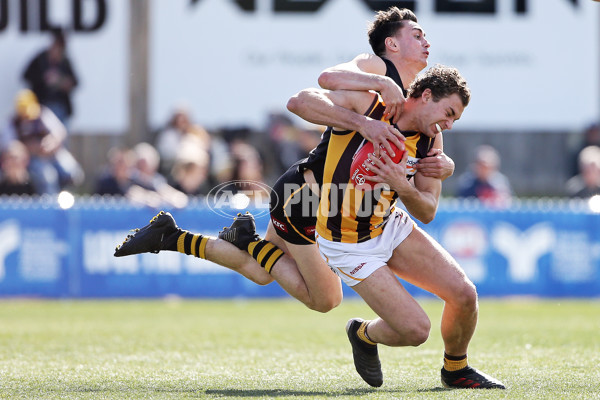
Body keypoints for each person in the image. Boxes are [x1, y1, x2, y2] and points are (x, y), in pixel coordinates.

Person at [114, 6, 455, 312]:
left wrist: (443, 164)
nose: (426, 40)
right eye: (416, 34)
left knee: (261, 272)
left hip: (322, 202)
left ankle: (170, 236)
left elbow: (409, 159)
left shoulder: (418, 104)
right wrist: (379, 86)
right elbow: (323, 82)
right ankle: (241, 239)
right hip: (306, 197)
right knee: (326, 300)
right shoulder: (377, 68)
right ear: (392, 44)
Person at [312, 65, 504, 389]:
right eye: (449, 113)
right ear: (426, 95)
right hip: (345, 241)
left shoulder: (431, 140)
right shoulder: (375, 107)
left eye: (455, 119)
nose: (449, 124)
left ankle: (456, 370)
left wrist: (403, 185)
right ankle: (363, 333)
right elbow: (303, 98)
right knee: (416, 331)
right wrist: (363, 121)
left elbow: (427, 210)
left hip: (388, 225)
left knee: (465, 295)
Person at [1, 89, 84, 194]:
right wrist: (31, 148)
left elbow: (60, 132)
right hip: (31, 158)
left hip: (53, 154)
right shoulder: (13, 123)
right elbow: (11, 146)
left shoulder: (43, 114)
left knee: (73, 172)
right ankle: (51, 204)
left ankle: (70, 199)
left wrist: (51, 143)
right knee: (48, 176)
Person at [22, 28, 78, 127]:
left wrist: (62, 81)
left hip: (61, 106)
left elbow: (75, 82)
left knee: (60, 137)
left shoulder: (64, 61)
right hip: (42, 105)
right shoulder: (40, 60)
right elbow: (26, 76)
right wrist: (45, 79)